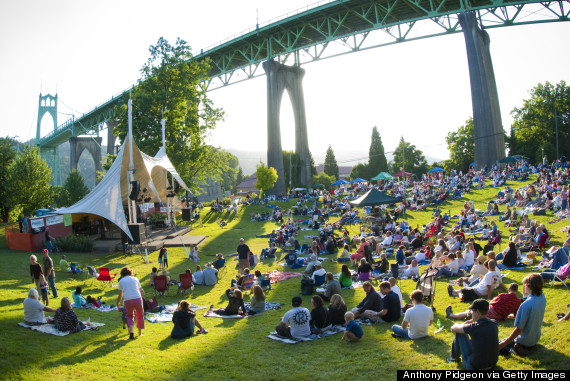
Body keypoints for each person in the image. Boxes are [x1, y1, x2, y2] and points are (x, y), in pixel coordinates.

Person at [498, 273, 546, 356]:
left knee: (497, 345)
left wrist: (503, 344)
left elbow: (519, 329)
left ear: (528, 286)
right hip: (536, 337)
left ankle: (517, 348)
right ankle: (524, 347)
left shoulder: (526, 305)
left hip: (524, 340)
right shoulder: (542, 297)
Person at [447, 299, 499, 370]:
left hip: (474, 367)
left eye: (472, 311)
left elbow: (453, 328)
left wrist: (462, 324)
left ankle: (453, 358)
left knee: (460, 332)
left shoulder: (473, 327)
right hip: (492, 364)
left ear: (477, 312)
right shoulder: (494, 323)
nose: (471, 313)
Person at [447, 283, 521, 322]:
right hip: (499, 318)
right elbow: (515, 315)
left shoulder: (502, 295)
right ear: (516, 290)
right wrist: (505, 315)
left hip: (488, 314)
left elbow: (491, 302)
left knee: (468, 313)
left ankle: (451, 315)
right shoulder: (518, 302)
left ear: (509, 289)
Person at [116, 267, 145, 339]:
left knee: (129, 316)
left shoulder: (121, 281)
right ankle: (139, 333)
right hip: (137, 298)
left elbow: (120, 295)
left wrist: (118, 303)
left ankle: (131, 331)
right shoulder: (135, 279)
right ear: (130, 272)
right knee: (140, 315)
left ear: (122, 274)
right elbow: (140, 291)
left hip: (128, 300)